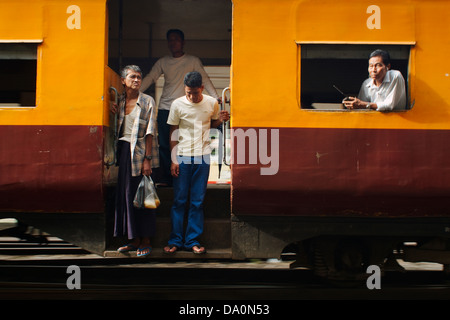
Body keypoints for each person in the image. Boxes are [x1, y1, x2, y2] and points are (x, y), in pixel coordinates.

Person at [140, 29, 221, 187]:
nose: (173, 42)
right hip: (165, 108)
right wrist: (134, 93)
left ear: (183, 42)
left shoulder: (192, 60)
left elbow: (204, 78)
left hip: (186, 108)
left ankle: (182, 177)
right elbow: (151, 77)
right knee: (164, 144)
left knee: (182, 142)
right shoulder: (163, 61)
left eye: (176, 39)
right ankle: (167, 178)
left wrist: (217, 97)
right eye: (170, 40)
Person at [163, 71, 229, 254]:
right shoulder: (177, 104)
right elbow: (173, 133)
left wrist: (220, 120)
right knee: (179, 200)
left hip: (203, 157)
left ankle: (192, 240)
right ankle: (176, 240)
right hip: (182, 157)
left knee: (197, 202)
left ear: (202, 88)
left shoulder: (211, 103)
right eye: (188, 92)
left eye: (195, 92)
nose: (192, 96)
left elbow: (212, 123)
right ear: (185, 89)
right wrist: (173, 160)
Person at [112, 65, 159, 257]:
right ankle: (133, 240)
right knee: (127, 197)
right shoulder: (120, 102)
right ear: (123, 81)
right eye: (132, 77)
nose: (137, 80)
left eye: (139, 77)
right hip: (123, 153)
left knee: (143, 197)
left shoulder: (147, 101)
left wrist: (147, 160)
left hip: (141, 155)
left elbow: (150, 131)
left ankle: (146, 240)